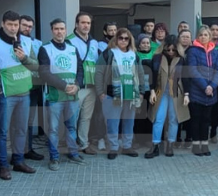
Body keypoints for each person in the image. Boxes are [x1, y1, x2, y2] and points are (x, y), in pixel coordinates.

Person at [0, 10, 40, 179]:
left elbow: (35, 66)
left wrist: (24, 58)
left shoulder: (25, 42)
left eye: (15, 25)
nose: (12, 28)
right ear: (3, 24)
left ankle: (18, 161)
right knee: (2, 131)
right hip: (6, 93)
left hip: (24, 92)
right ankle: (3, 165)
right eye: (9, 24)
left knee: (21, 129)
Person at [37, 18, 83, 170]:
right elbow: (44, 73)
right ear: (52, 31)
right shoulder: (45, 49)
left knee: (71, 127)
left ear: (65, 30)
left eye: (62, 29)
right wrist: (64, 86)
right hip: (55, 96)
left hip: (72, 96)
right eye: (56, 29)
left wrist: (77, 85)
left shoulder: (72, 49)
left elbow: (80, 70)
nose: (59, 32)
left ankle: (73, 153)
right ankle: (54, 158)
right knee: (53, 129)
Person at [96, 27, 146, 159]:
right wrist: (100, 92)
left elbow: (140, 74)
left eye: (126, 38)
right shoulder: (108, 53)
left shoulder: (134, 55)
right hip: (112, 94)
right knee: (113, 122)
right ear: (116, 39)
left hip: (131, 93)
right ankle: (113, 147)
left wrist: (141, 92)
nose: (123, 41)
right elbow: (99, 73)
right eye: (121, 38)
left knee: (129, 121)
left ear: (130, 40)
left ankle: (127, 146)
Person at [184, 25, 218, 157]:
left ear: (210, 36)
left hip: (211, 92)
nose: (203, 37)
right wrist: (205, 86)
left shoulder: (215, 52)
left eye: (206, 35)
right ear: (197, 37)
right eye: (201, 35)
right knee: (196, 119)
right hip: (197, 90)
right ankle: (196, 145)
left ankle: (204, 145)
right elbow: (192, 70)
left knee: (207, 119)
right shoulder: (193, 51)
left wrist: (212, 86)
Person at [68, 12, 103, 156]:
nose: (86, 25)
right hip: (78, 86)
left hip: (92, 86)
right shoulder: (69, 41)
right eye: (83, 22)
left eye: (88, 23)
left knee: (86, 117)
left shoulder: (94, 43)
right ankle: (71, 146)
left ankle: (83, 144)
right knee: (72, 117)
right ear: (76, 24)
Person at [146, 36, 187, 158]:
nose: (170, 52)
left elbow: (186, 78)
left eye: (173, 50)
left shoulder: (181, 59)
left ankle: (170, 144)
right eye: (168, 50)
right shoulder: (157, 58)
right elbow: (152, 75)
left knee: (174, 119)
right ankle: (155, 145)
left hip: (176, 92)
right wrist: (152, 91)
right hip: (160, 91)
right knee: (159, 118)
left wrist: (187, 94)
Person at [18, 15, 46, 161]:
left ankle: (27, 149)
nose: (27, 28)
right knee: (17, 121)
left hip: (34, 86)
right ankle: (18, 153)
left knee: (28, 120)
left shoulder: (38, 43)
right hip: (17, 86)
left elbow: (39, 64)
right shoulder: (13, 41)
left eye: (30, 26)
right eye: (24, 25)